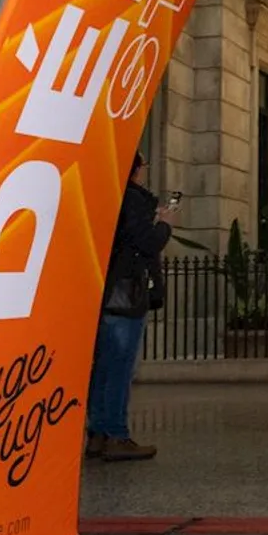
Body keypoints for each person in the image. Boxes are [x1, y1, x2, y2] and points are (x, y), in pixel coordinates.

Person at [86, 153, 173, 461]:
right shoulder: (133, 200)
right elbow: (147, 243)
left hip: (106, 290)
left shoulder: (105, 195)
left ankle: (97, 433)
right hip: (127, 293)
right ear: (135, 169)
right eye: (144, 166)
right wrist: (164, 224)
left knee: (104, 368)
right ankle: (116, 435)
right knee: (121, 368)